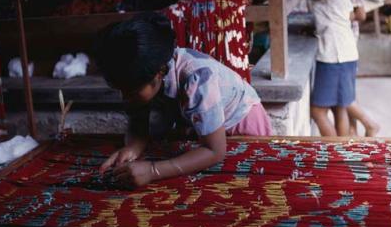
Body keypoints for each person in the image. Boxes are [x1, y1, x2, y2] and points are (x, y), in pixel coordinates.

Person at [95, 12, 272, 187]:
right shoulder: (144, 73)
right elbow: (138, 119)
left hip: (240, 124)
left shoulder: (198, 79)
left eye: (131, 91)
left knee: (246, 183)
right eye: (120, 90)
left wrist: (153, 170)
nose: (124, 97)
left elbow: (214, 151)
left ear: (159, 73)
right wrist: (133, 147)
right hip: (203, 128)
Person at [287, 0, 358, 136]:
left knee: (318, 113)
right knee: (339, 108)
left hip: (334, 55)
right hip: (344, 50)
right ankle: (340, 154)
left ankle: (335, 153)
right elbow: (347, 14)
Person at [335, 0, 380, 136]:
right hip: (344, 39)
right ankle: (352, 133)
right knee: (346, 91)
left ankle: (370, 124)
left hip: (346, 40)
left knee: (342, 93)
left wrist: (336, 15)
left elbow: (360, 14)